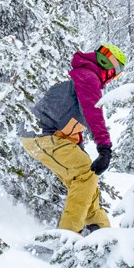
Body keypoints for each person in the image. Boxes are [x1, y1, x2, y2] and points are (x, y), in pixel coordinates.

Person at [22, 43, 127, 234]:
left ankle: (101, 234)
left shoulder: (82, 76)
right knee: (84, 173)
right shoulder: (89, 77)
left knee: (87, 182)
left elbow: (71, 118)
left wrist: (80, 147)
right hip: (42, 135)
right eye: (116, 71)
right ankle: (68, 237)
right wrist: (104, 147)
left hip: (50, 136)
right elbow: (92, 112)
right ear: (111, 71)